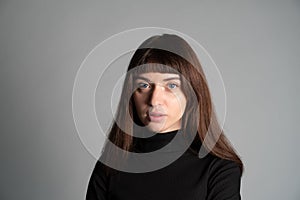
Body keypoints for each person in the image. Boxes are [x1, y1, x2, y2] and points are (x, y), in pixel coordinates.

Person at [86, 34, 244, 200]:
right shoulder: (110, 167)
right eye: (144, 85)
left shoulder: (219, 170)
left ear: (192, 93)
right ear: (131, 94)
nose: (154, 100)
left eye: (171, 85)